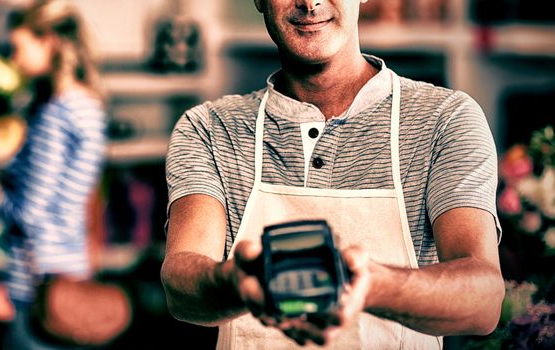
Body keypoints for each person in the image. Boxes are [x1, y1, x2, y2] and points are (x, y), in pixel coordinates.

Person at [160, 0, 504, 348]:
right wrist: (236, 283)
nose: (310, 3)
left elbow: (484, 301)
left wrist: (370, 284)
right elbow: (180, 286)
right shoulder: (209, 128)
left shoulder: (445, 119)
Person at [0, 0, 107, 348]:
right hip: (69, 272)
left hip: (38, 285)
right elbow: (52, 194)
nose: (15, 59)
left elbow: (29, 214)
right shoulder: (88, 106)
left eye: (19, 47)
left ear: (49, 41)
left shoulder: (56, 115)